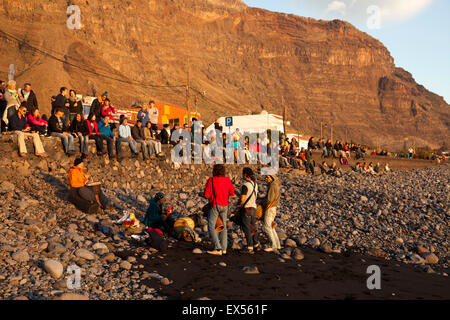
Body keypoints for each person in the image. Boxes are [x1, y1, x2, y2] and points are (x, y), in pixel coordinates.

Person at [203, 164, 235, 256]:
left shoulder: (211, 180)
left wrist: (201, 194)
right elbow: (232, 194)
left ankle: (217, 247)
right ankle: (224, 249)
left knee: (211, 225)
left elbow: (206, 194)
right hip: (225, 204)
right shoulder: (227, 180)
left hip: (215, 204)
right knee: (223, 226)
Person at [239, 168, 259, 254]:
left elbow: (243, 199)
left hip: (247, 208)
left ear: (246, 175)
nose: (242, 175)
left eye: (243, 174)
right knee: (253, 227)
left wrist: (238, 204)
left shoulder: (245, 185)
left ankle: (249, 247)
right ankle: (256, 245)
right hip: (254, 207)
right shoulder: (255, 184)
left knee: (246, 227)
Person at [262, 174, 281, 253]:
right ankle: (277, 244)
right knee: (271, 226)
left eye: (268, 177)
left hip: (270, 208)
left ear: (272, 177)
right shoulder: (276, 185)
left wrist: (261, 201)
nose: (266, 178)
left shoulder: (272, 186)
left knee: (267, 227)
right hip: (274, 208)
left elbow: (269, 200)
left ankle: (273, 246)